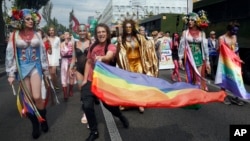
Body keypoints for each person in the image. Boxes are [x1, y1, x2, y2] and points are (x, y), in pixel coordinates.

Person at [81, 23, 129, 141]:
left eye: (103, 32)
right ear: (96, 34)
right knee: (87, 106)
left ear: (107, 33)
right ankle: (94, 131)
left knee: (110, 106)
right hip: (91, 80)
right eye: (99, 32)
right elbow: (88, 62)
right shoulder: (92, 46)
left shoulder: (111, 46)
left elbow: (109, 56)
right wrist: (84, 79)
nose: (101, 34)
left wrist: (101, 58)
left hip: (104, 82)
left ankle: (120, 116)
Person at [5, 8, 49, 139]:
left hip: (35, 66)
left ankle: (43, 118)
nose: (31, 21)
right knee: (28, 99)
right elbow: (10, 55)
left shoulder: (37, 34)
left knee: (37, 96)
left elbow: (42, 53)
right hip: (22, 68)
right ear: (21, 20)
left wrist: (45, 69)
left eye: (32, 19)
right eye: (28, 19)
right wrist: (11, 73)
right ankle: (35, 125)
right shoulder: (14, 35)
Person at [117, 19, 158, 113]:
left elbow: (148, 44)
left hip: (139, 62)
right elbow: (120, 54)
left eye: (130, 27)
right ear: (124, 28)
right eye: (126, 27)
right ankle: (129, 103)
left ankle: (140, 103)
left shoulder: (139, 37)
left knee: (140, 83)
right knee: (130, 83)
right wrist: (119, 43)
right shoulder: (122, 39)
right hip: (128, 64)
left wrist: (155, 40)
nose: (128, 29)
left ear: (133, 27)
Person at [178, 11, 210, 90]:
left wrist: (208, 61)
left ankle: (197, 93)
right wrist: (180, 58)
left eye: (192, 20)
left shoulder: (202, 33)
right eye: (189, 20)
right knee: (190, 76)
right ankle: (190, 93)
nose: (190, 22)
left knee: (198, 76)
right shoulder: (185, 33)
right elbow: (182, 46)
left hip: (199, 57)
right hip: (188, 57)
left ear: (196, 22)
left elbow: (205, 48)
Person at [215, 21, 245, 106]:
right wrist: (220, 48)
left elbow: (236, 49)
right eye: (234, 30)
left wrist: (239, 59)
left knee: (236, 79)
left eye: (236, 31)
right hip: (225, 61)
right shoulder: (222, 38)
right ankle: (223, 96)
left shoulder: (235, 37)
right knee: (225, 78)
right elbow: (219, 51)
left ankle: (236, 97)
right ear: (229, 29)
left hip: (234, 60)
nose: (235, 32)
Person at [69, 24, 91, 124]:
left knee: (88, 91)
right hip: (79, 69)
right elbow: (74, 58)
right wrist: (70, 68)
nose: (82, 32)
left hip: (90, 70)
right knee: (82, 90)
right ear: (77, 32)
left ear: (86, 31)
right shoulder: (74, 44)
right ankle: (85, 112)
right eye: (80, 31)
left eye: (84, 30)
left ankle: (88, 112)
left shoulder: (91, 42)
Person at [60, 31, 75, 101]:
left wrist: (74, 61)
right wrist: (65, 45)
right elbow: (62, 54)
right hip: (64, 61)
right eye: (65, 34)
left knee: (71, 76)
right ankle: (65, 93)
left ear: (69, 36)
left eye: (67, 34)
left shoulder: (72, 43)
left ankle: (70, 90)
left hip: (71, 60)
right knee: (64, 76)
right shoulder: (61, 44)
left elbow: (74, 53)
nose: (66, 35)